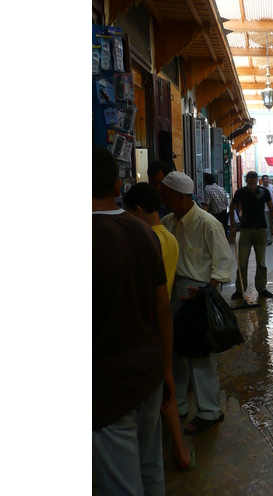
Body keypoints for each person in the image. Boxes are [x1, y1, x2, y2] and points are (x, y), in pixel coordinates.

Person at [92, 145, 175, 495]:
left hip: (109, 384)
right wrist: (167, 368)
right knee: (151, 468)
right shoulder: (145, 233)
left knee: (122, 485)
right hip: (149, 371)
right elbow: (162, 309)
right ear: (117, 187)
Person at [123, 182, 195, 472]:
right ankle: (179, 450)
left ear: (137, 211)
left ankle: (166, 452)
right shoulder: (169, 237)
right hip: (162, 317)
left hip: (148, 320)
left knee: (156, 395)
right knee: (168, 388)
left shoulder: (142, 239)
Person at [159, 171, 234, 435]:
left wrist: (205, 292)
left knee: (201, 355)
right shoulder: (168, 222)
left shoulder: (207, 223)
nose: (163, 201)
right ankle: (177, 404)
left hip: (199, 292)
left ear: (180, 197)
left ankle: (210, 411)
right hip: (173, 291)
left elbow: (224, 264)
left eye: (166, 196)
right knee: (176, 352)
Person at [229, 171, 273, 300]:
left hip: (261, 230)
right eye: (250, 183)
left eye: (254, 183)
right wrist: (233, 226)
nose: (252, 186)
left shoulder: (264, 192)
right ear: (246, 181)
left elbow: (272, 209)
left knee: (261, 262)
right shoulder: (241, 192)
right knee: (242, 262)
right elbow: (232, 206)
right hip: (245, 231)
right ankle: (240, 289)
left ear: (258, 181)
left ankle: (262, 288)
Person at [201, 172, 229, 237]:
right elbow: (226, 203)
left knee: (217, 235)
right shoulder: (221, 189)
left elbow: (207, 205)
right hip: (224, 214)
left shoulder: (207, 189)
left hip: (216, 216)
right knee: (224, 234)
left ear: (206, 181)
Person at [261, 174, 273, 245]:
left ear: (268, 180)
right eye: (264, 179)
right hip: (264, 209)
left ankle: (271, 237)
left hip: (272, 209)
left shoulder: (272, 187)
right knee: (267, 225)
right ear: (262, 180)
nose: (265, 180)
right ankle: (268, 239)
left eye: (266, 179)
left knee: (272, 225)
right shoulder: (261, 188)